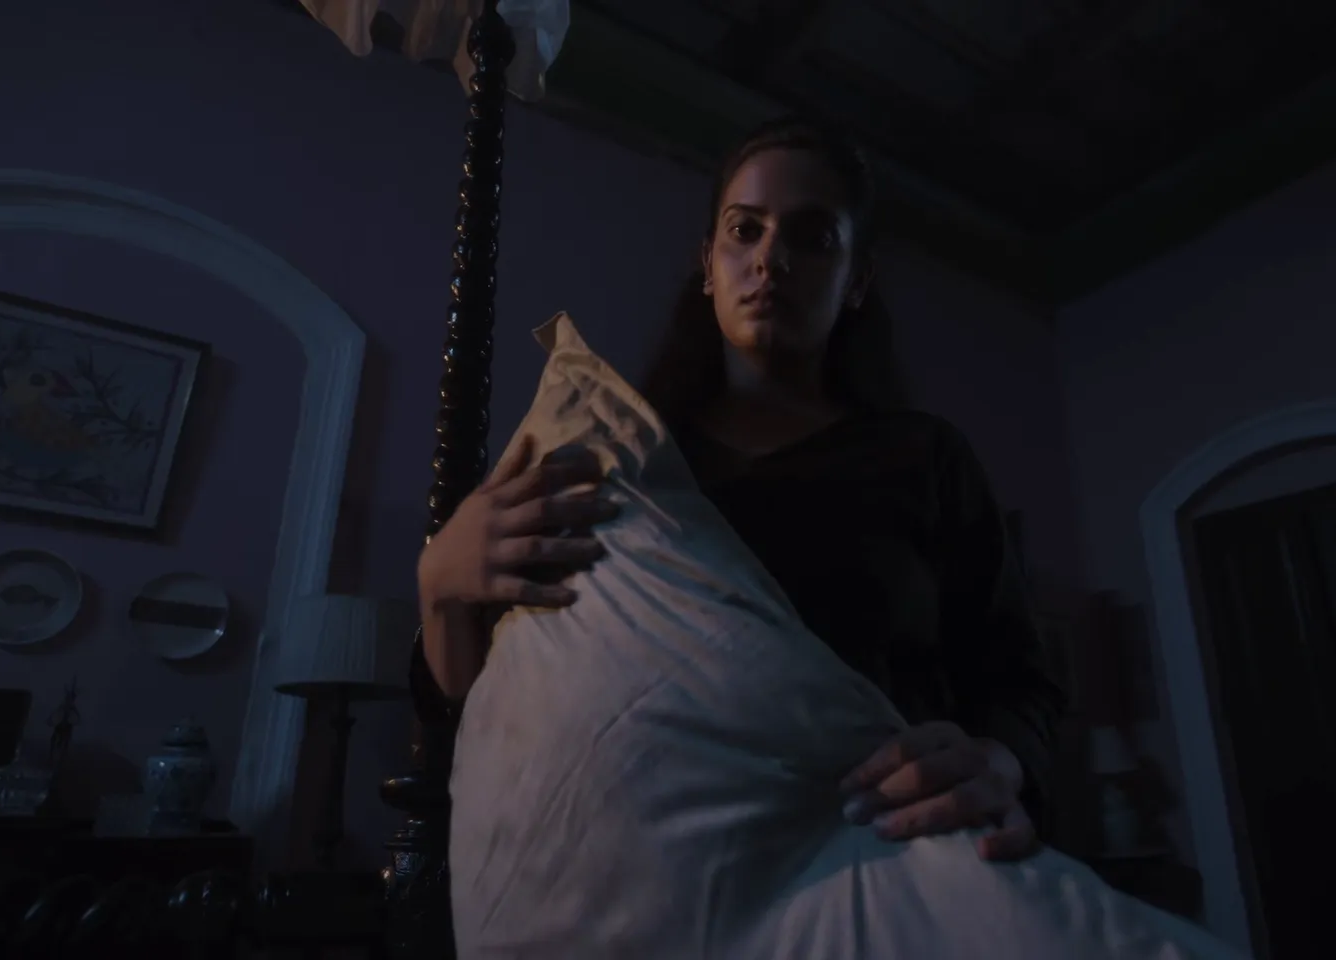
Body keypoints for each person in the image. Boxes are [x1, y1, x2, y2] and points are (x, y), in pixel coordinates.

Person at [416, 116, 1066, 863]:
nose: (770, 259)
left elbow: (1021, 680)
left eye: (812, 238)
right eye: (744, 230)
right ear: (708, 264)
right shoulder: (620, 462)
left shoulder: (925, 459)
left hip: (882, 856)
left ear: (856, 282)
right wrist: (440, 587)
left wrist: (1000, 762)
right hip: (647, 866)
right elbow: (497, 701)